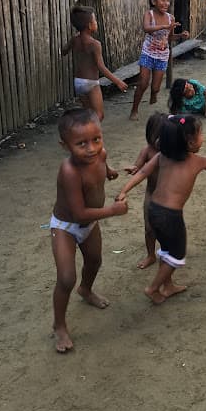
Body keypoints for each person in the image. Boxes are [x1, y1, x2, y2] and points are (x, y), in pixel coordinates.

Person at [116, 115, 206, 304]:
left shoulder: (162, 156)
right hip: (170, 216)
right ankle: (153, 288)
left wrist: (124, 191)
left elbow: (143, 172)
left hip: (153, 210)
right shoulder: (197, 161)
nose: (203, 137)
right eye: (200, 134)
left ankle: (168, 285)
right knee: (177, 254)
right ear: (190, 142)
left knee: (166, 249)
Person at [50, 108, 128, 353]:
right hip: (66, 227)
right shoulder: (70, 171)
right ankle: (59, 325)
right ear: (65, 146)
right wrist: (112, 210)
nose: (91, 148)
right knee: (66, 278)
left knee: (94, 260)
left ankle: (86, 289)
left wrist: (110, 171)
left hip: (90, 224)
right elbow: (79, 214)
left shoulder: (100, 154)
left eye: (96, 139)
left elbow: (102, 163)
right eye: (81, 143)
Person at [129, 0, 189, 121]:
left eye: (168, 0)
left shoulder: (170, 18)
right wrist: (164, 27)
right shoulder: (149, 14)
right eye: (163, 0)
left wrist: (180, 35)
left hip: (162, 57)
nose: (166, 3)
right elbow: (146, 28)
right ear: (153, 2)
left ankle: (153, 94)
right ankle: (134, 109)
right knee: (143, 83)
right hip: (148, 53)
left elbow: (169, 38)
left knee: (155, 87)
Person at [61, 6, 128, 121]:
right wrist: (118, 81)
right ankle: (91, 132)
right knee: (99, 115)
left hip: (78, 82)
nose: (96, 23)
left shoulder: (74, 40)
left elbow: (63, 51)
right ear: (89, 25)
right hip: (91, 83)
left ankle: (86, 131)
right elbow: (101, 67)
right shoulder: (95, 44)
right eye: (95, 20)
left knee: (88, 114)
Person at [124, 112, 165, 269]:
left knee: (166, 229)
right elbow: (138, 167)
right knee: (149, 229)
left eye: (164, 136)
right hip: (151, 195)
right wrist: (134, 168)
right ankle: (150, 255)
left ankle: (168, 253)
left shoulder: (172, 151)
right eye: (157, 136)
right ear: (149, 135)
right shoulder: (147, 151)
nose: (160, 140)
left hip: (169, 198)